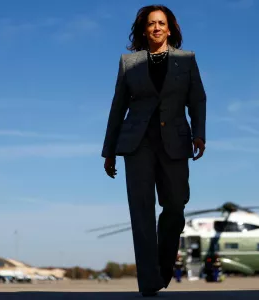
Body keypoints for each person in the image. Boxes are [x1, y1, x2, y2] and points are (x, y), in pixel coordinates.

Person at [101, 4, 206, 297]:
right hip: (137, 144)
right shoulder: (128, 62)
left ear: (169, 28)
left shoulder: (186, 61)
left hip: (175, 142)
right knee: (141, 211)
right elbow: (117, 108)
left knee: (175, 205)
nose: (156, 27)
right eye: (151, 23)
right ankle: (148, 282)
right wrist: (109, 150)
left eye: (161, 23)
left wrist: (199, 134)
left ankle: (161, 264)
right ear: (144, 30)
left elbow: (197, 100)